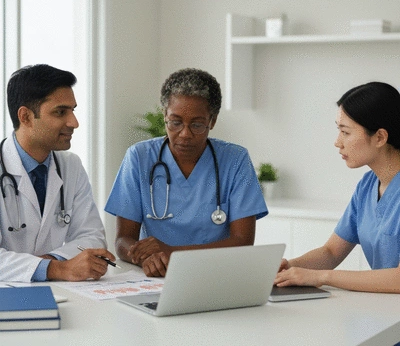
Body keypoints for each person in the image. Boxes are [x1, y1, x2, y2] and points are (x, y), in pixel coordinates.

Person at [105, 68, 268, 277]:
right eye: (175, 122)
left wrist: (172, 254)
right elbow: (123, 240)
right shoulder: (139, 157)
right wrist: (147, 257)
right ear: (165, 115)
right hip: (157, 276)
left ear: (213, 121)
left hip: (216, 274)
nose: (185, 134)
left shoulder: (235, 160)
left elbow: (242, 242)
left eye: (197, 125)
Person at [275, 81, 400, 293]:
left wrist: (320, 277)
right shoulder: (366, 186)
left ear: (379, 137)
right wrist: (289, 268)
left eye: (346, 132)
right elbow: (331, 252)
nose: (337, 142)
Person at [0, 64, 116, 282]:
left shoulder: (70, 165)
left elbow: (92, 237)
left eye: (73, 110)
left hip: (59, 292)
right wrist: (57, 269)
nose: (74, 123)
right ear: (25, 116)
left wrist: (49, 261)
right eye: (61, 112)